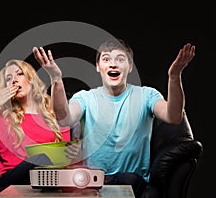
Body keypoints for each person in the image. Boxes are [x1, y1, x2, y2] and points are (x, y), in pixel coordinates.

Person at [32, 39, 195, 198]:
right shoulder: (85, 98)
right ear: (98, 67)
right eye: (106, 59)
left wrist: (174, 77)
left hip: (130, 180)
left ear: (129, 66)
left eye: (120, 59)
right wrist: (56, 78)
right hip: (93, 181)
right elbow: (63, 119)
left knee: (126, 180)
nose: (113, 64)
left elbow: (173, 117)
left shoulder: (147, 95)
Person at [0, 59, 73, 187]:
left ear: (31, 81)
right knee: (40, 158)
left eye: (19, 74)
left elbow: (65, 155)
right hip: (11, 181)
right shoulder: (2, 115)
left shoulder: (53, 114)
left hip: (46, 180)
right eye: (9, 78)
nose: (14, 80)